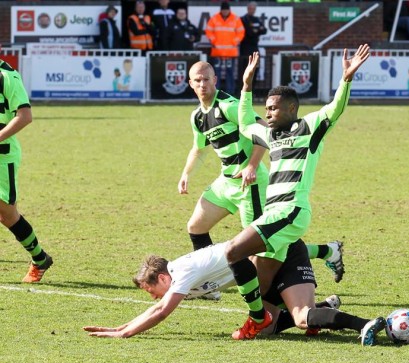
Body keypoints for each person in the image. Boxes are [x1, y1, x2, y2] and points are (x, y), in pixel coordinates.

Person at [222, 44, 370, 340]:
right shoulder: (270, 135)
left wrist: (346, 79)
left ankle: (257, 320)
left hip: (289, 212)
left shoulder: (309, 127)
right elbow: (245, 123)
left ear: (292, 108)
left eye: (274, 108)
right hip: (276, 216)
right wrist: (246, 86)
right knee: (261, 289)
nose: (269, 114)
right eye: (267, 110)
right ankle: (281, 316)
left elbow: (335, 109)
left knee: (233, 252)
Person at [179, 61, 345, 288]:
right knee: (196, 227)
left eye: (206, 79)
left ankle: (327, 251)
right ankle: (207, 282)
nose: (202, 84)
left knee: (263, 246)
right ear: (190, 83)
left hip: (250, 184)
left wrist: (251, 166)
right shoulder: (197, 116)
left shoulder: (227, 106)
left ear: (214, 80)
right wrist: (186, 174)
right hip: (225, 182)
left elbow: (260, 130)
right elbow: (199, 148)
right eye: (197, 81)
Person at [83, 240, 386, 346]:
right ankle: (324, 306)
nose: (152, 296)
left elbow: (161, 312)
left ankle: (364, 325)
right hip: (267, 270)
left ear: (163, 277)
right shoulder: (175, 274)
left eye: (151, 290)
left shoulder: (182, 274)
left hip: (284, 256)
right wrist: (120, 327)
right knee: (268, 330)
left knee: (302, 318)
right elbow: (156, 308)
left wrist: (124, 335)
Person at [0, 52, 53, 283]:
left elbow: (25, 116)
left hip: (3, 157)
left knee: (7, 214)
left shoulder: (8, 76)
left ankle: (40, 259)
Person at [205, 1, 245, 96]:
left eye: (226, 10)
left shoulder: (235, 19)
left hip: (230, 52)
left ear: (229, 10)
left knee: (230, 72)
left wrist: (234, 42)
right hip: (217, 51)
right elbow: (208, 31)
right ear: (221, 10)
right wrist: (214, 41)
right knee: (216, 73)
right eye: (223, 10)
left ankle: (230, 92)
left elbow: (241, 32)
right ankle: (216, 92)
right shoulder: (214, 18)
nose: (225, 12)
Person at [238, 2, 267, 91]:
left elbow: (264, 30)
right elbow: (249, 33)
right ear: (247, 9)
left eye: (253, 9)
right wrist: (257, 30)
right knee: (244, 70)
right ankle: (242, 91)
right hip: (245, 48)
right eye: (250, 8)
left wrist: (256, 30)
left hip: (255, 47)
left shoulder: (257, 19)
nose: (252, 10)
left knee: (255, 69)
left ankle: (252, 90)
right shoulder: (243, 19)